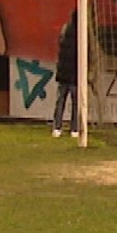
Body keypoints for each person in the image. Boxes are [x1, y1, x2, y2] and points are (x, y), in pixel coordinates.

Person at [51, 10, 79, 138]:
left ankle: (57, 127)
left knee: (61, 101)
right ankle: (74, 129)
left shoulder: (65, 30)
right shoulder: (81, 34)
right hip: (74, 75)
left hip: (64, 73)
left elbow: (60, 46)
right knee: (75, 103)